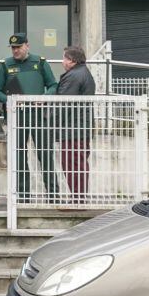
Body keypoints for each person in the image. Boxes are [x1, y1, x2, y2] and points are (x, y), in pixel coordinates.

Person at [0, 33, 58, 203]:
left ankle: (53, 195)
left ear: (27, 46)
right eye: (13, 48)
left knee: (45, 155)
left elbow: (53, 85)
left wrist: (44, 98)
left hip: (39, 116)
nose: (16, 50)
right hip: (17, 117)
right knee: (20, 157)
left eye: (19, 47)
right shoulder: (5, 65)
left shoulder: (40, 62)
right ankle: (23, 197)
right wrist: (10, 100)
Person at [56, 45, 96, 204]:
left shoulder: (73, 76)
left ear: (71, 60)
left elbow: (63, 104)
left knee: (73, 164)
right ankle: (78, 198)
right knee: (77, 163)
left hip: (73, 129)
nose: (62, 61)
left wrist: (50, 122)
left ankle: (78, 200)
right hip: (79, 127)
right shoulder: (83, 73)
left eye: (64, 58)